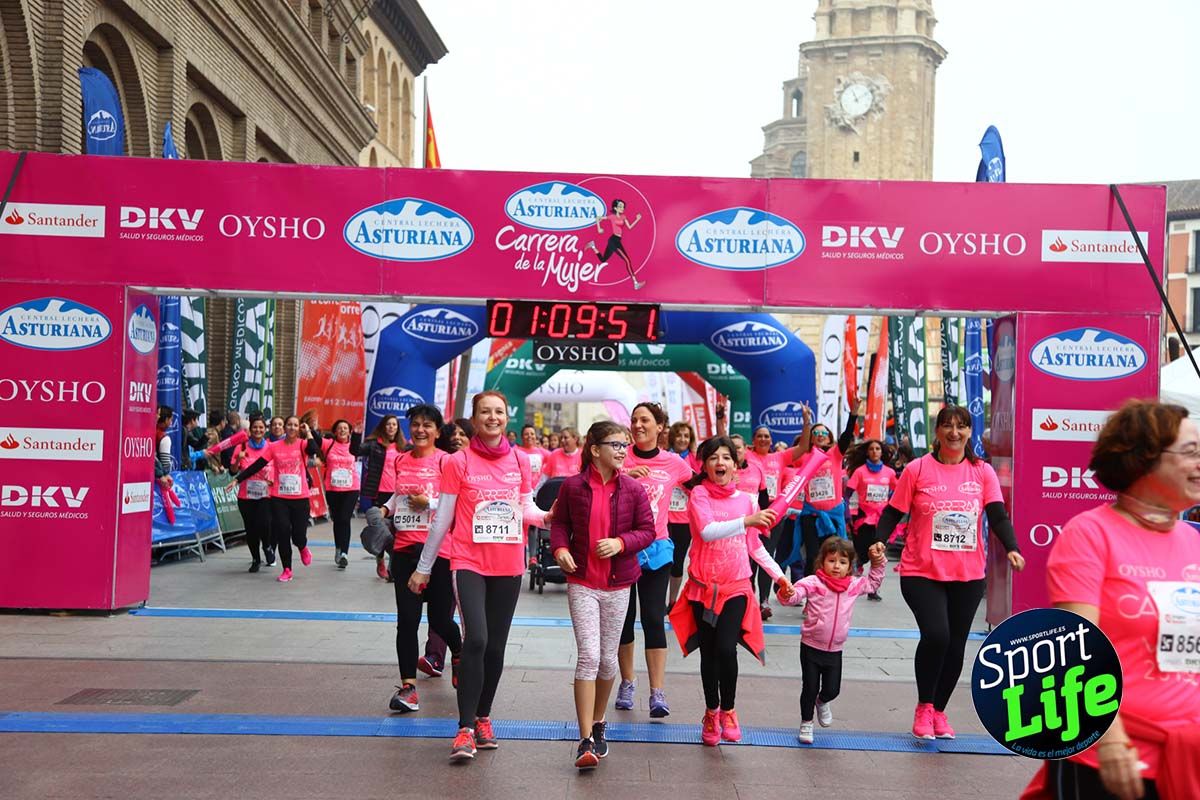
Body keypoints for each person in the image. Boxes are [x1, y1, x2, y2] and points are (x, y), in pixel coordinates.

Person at [1024, 400, 1200, 800]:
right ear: (1143, 459)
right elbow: (1074, 648)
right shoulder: (1090, 534)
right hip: (1107, 757)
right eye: (1190, 452)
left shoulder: (1194, 541)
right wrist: (1110, 738)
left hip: (1188, 756)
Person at [406, 390, 551, 762]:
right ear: (474, 417)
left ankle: (484, 717)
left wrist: (546, 517)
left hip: (508, 564)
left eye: (499, 412)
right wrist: (423, 569)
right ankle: (465, 729)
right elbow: (442, 518)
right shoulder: (457, 461)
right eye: (485, 411)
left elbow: (524, 505)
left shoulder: (521, 459)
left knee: (497, 647)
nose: (492, 417)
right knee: (476, 640)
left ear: (507, 417)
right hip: (468, 561)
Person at [874, 405, 1025, 740]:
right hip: (921, 570)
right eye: (947, 426)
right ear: (937, 432)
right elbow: (892, 512)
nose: (954, 432)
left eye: (961, 427)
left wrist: (1012, 547)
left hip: (968, 573)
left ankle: (938, 711)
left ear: (970, 432)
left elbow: (997, 516)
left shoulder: (982, 472)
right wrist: (879, 542)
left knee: (956, 646)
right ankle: (923, 706)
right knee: (937, 635)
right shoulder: (917, 469)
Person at [668, 436, 792, 746]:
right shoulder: (698, 496)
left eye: (726, 457)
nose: (720, 463)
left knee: (726, 648)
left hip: (737, 587)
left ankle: (729, 710)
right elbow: (708, 532)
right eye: (713, 458)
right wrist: (747, 520)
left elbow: (754, 546)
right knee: (709, 653)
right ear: (704, 465)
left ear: (735, 466)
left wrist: (779, 577)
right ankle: (711, 712)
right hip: (702, 588)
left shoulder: (747, 500)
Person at [551, 421, 655, 769]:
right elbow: (560, 524)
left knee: (609, 661)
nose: (624, 450)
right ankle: (584, 740)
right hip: (582, 583)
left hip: (618, 585)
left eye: (626, 444)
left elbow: (647, 531)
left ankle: (598, 723)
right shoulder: (572, 487)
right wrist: (560, 549)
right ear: (595, 450)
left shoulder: (633, 489)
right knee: (589, 657)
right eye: (616, 444)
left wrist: (621, 543)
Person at [615, 403, 696, 718]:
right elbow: (595, 480)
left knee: (652, 618)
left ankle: (657, 692)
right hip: (621, 548)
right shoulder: (620, 454)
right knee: (623, 619)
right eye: (634, 420)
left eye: (644, 420)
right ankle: (627, 682)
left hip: (657, 548)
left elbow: (700, 487)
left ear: (661, 426)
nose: (637, 425)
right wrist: (624, 474)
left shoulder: (674, 463)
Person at [382, 404, 463, 714]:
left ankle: (458, 654)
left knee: (441, 620)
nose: (420, 430)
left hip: (440, 551)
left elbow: (454, 503)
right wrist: (386, 509)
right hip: (404, 550)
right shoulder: (400, 460)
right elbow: (398, 495)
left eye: (427, 425)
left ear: (437, 432)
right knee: (407, 621)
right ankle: (408, 688)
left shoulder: (447, 462)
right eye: (415, 424)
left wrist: (427, 502)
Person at [777, 537, 886, 744]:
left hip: (835, 649)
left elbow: (872, 583)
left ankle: (822, 701)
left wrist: (878, 563)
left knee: (832, 689)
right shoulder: (813, 583)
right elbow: (793, 596)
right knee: (809, 687)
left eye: (843, 562)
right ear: (822, 562)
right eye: (832, 560)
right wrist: (786, 591)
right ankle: (806, 723)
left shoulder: (853, 586)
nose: (837, 566)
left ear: (850, 566)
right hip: (811, 645)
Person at [739, 413, 813, 618]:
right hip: (750, 516)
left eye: (767, 436)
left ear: (771, 441)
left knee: (766, 558)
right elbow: (728, 446)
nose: (763, 439)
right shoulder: (746, 456)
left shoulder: (779, 457)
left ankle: (763, 601)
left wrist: (806, 424)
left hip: (773, 517)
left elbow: (803, 448)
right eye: (759, 436)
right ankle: (748, 599)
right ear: (753, 440)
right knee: (747, 559)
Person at [235, 415, 320, 583]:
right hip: (279, 497)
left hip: (300, 497)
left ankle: (302, 547)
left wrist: (308, 432)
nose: (292, 428)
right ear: (284, 428)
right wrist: (238, 479)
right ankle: (287, 569)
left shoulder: (302, 444)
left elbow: (313, 449)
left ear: (299, 428)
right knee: (282, 532)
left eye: (295, 425)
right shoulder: (274, 446)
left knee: (298, 536)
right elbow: (257, 464)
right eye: (289, 425)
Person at [795, 411, 858, 576]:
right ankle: (812, 591)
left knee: (832, 555)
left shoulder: (835, 454)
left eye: (824, 433)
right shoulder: (804, 456)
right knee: (813, 556)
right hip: (811, 515)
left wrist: (853, 414)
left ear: (829, 438)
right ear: (811, 437)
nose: (820, 435)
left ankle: (830, 590)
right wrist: (807, 422)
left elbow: (846, 436)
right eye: (816, 433)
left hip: (833, 516)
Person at [208, 415, 275, 570]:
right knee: (251, 528)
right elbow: (232, 472)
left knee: (265, 524)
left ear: (265, 430)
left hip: (266, 494)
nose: (258, 430)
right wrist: (238, 459)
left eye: (261, 427)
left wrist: (274, 480)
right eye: (255, 428)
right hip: (246, 495)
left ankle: (267, 546)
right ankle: (256, 559)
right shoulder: (242, 446)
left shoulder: (270, 447)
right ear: (249, 430)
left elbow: (277, 467)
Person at [845, 438, 898, 600]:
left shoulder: (889, 473)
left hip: (881, 521)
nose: (874, 451)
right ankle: (853, 580)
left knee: (878, 553)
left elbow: (898, 492)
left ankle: (873, 588)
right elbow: (846, 496)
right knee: (862, 554)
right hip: (863, 519)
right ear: (867, 452)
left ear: (882, 452)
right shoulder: (860, 471)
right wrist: (846, 514)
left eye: (877, 449)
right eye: (871, 449)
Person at [314, 419, 362, 568]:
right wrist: (313, 428)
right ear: (335, 431)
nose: (342, 430)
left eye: (345, 428)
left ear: (349, 431)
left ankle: (344, 554)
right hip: (333, 489)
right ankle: (338, 548)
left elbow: (358, 447)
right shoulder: (329, 444)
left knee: (344, 518)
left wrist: (358, 434)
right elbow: (316, 439)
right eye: (340, 428)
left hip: (351, 488)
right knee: (337, 520)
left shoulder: (353, 446)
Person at [361, 415, 404, 580]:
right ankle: (380, 560)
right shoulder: (374, 445)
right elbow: (355, 451)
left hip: (398, 494)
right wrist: (357, 434)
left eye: (394, 424)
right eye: (388, 424)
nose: (391, 427)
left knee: (396, 532)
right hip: (379, 493)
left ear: (398, 428)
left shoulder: (404, 448)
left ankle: (394, 566)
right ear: (383, 427)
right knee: (380, 530)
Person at [666, 421, 701, 607]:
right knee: (663, 561)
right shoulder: (664, 457)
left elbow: (699, 487)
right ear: (672, 437)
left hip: (684, 520)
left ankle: (672, 601)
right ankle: (657, 599)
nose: (682, 439)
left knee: (678, 562)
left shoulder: (694, 459)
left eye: (686, 436)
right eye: (679, 435)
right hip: (663, 519)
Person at [585, 199, 645, 290]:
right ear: (615, 208)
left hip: (616, 240)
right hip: (614, 240)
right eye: (620, 206)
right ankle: (635, 283)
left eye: (623, 206)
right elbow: (598, 218)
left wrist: (637, 219)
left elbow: (629, 227)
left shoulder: (624, 217)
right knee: (627, 260)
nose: (622, 208)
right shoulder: (612, 217)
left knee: (603, 260)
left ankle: (593, 246)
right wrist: (599, 228)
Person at [516, 424, 552, 488]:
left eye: (532, 434)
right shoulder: (515, 452)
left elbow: (555, 460)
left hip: (538, 489)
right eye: (526, 434)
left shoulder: (542, 452)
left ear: (535, 436)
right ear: (522, 437)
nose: (529, 436)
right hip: (521, 489)